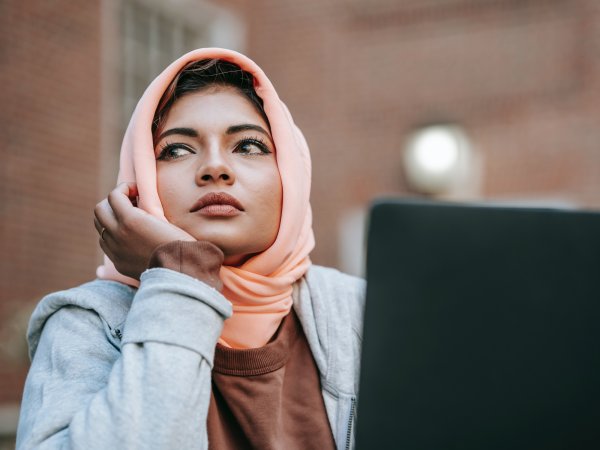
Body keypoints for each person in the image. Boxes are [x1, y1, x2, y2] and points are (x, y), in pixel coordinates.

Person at [16, 48, 365, 450]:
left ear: (292, 174)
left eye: (248, 146)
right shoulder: (85, 324)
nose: (215, 168)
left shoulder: (361, 312)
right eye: (177, 150)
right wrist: (180, 274)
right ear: (140, 182)